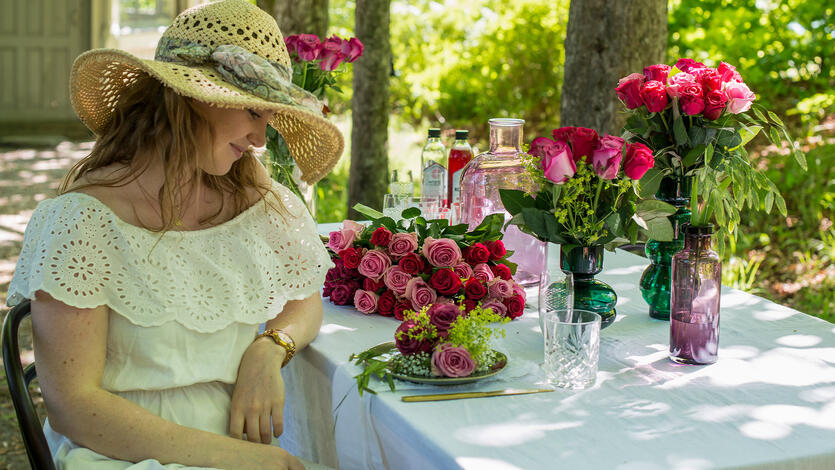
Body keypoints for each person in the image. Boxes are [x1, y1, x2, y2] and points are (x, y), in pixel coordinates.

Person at [5, 1, 343, 468]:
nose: (261, 139)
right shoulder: (81, 221)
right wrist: (251, 461)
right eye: (251, 111)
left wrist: (269, 349)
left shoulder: (251, 191)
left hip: (237, 448)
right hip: (121, 454)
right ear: (192, 96)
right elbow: (73, 407)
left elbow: (304, 297)